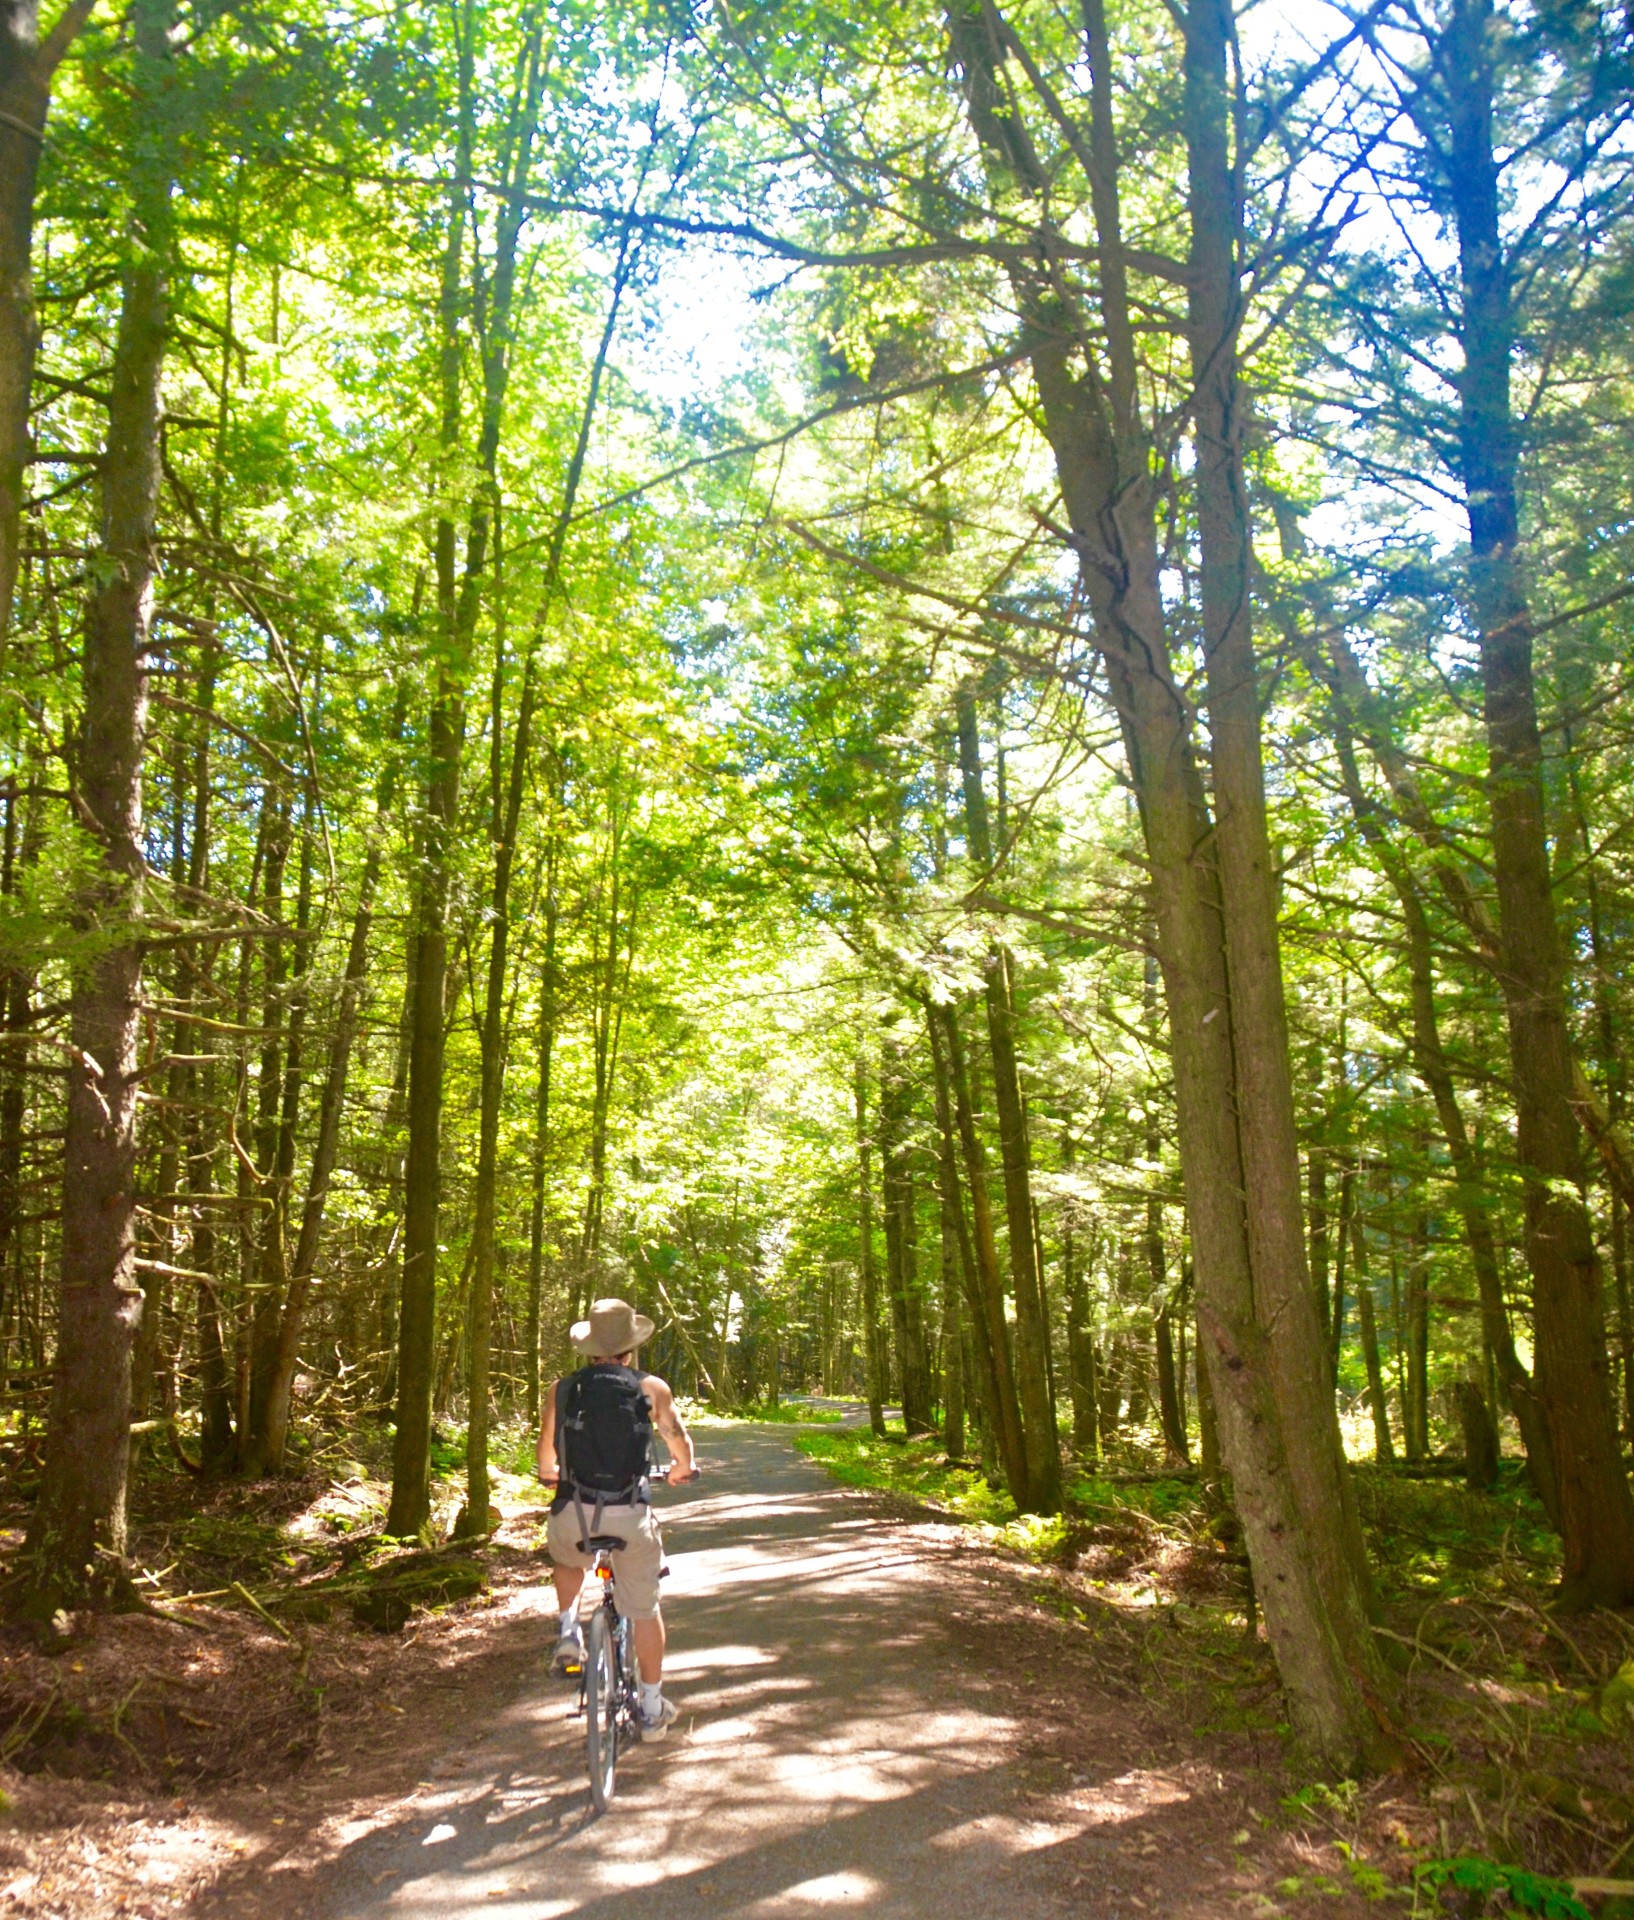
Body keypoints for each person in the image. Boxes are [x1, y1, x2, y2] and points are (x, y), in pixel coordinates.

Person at [536, 1296, 698, 1741]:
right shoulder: (652, 1388)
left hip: (574, 1513)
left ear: (588, 1348)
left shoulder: (563, 1389)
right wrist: (682, 1468)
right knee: (644, 1609)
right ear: (630, 1349)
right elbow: (676, 1438)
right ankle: (649, 1707)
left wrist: (550, 1475)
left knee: (569, 1559)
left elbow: (546, 1453)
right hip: (629, 1513)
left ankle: (569, 1629)